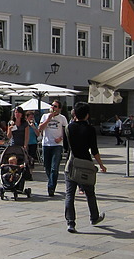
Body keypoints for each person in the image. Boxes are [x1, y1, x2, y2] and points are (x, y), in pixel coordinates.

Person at [63, 102, 107, 233]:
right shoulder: (90, 129)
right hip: (86, 164)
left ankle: (71, 222)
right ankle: (94, 217)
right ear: (87, 115)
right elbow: (94, 150)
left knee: (69, 194)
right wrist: (101, 165)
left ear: (74, 114)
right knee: (90, 194)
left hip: (71, 164)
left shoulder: (68, 128)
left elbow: (66, 148)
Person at [39, 99, 68, 197]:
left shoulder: (62, 118)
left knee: (54, 168)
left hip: (57, 145)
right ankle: (51, 180)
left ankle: (51, 187)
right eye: (52, 106)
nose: (53, 108)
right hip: (46, 144)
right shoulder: (45, 116)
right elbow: (40, 128)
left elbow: (66, 131)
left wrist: (60, 138)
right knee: (46, 166)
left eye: (55, 106)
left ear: (59, 109)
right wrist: (48, 119)